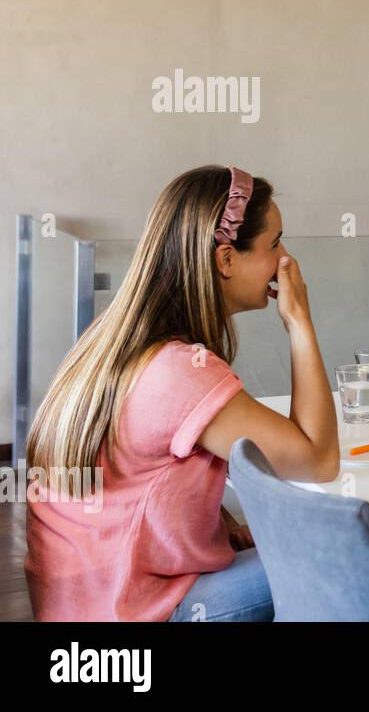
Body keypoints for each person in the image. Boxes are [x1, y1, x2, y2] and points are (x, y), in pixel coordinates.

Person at [25, 166, 339, 621]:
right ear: (226, 259)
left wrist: (221, 525)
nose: (285, 258)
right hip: (143, 613)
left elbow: (133, 485)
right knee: (335, 552)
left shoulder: (113, 341)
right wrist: (300, 325)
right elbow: (318, 461)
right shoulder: (177, 370)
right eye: (275, 244)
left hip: (83, 607)